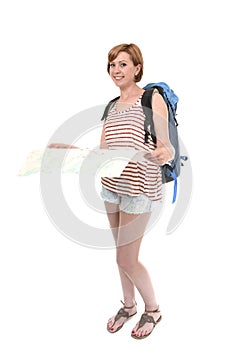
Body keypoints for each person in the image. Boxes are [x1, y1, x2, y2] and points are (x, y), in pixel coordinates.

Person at [99, 43, 174, 339]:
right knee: (120, 253)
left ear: (137, 68)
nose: (116, 71)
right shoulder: (111, 106)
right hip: (111, 187)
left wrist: (162, 153)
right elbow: (104, 149)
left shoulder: (151, 97)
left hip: (139, 188)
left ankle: (152, 309)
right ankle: (128, 306)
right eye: (112, 65)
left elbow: (164, 145)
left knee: (125, 258)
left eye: (123, 64)